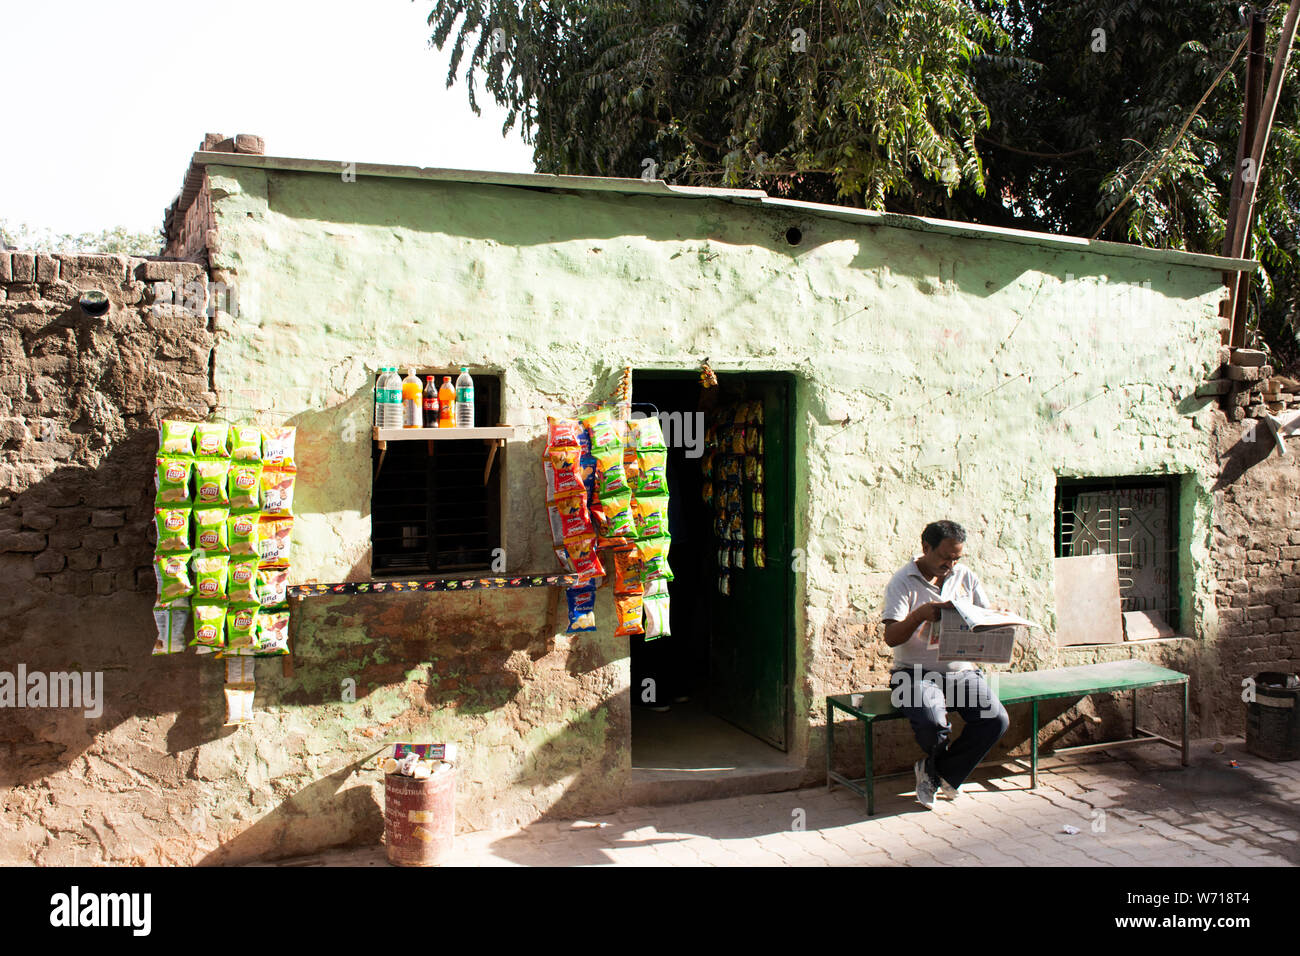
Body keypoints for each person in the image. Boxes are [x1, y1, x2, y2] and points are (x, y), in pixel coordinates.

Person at [881, 520, 1010, 810]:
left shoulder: (966, 577)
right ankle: (944, 774)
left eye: (956, 558)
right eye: (944, 557)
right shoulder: (902, 581)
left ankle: (936, 772)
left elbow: (983, 619)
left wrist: (1000, 619)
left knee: (996, 720)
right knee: (931, 722)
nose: (950, 565)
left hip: (961, 672)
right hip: (913, 676)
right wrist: (920, 615)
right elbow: (890, 637)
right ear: (925, 548)